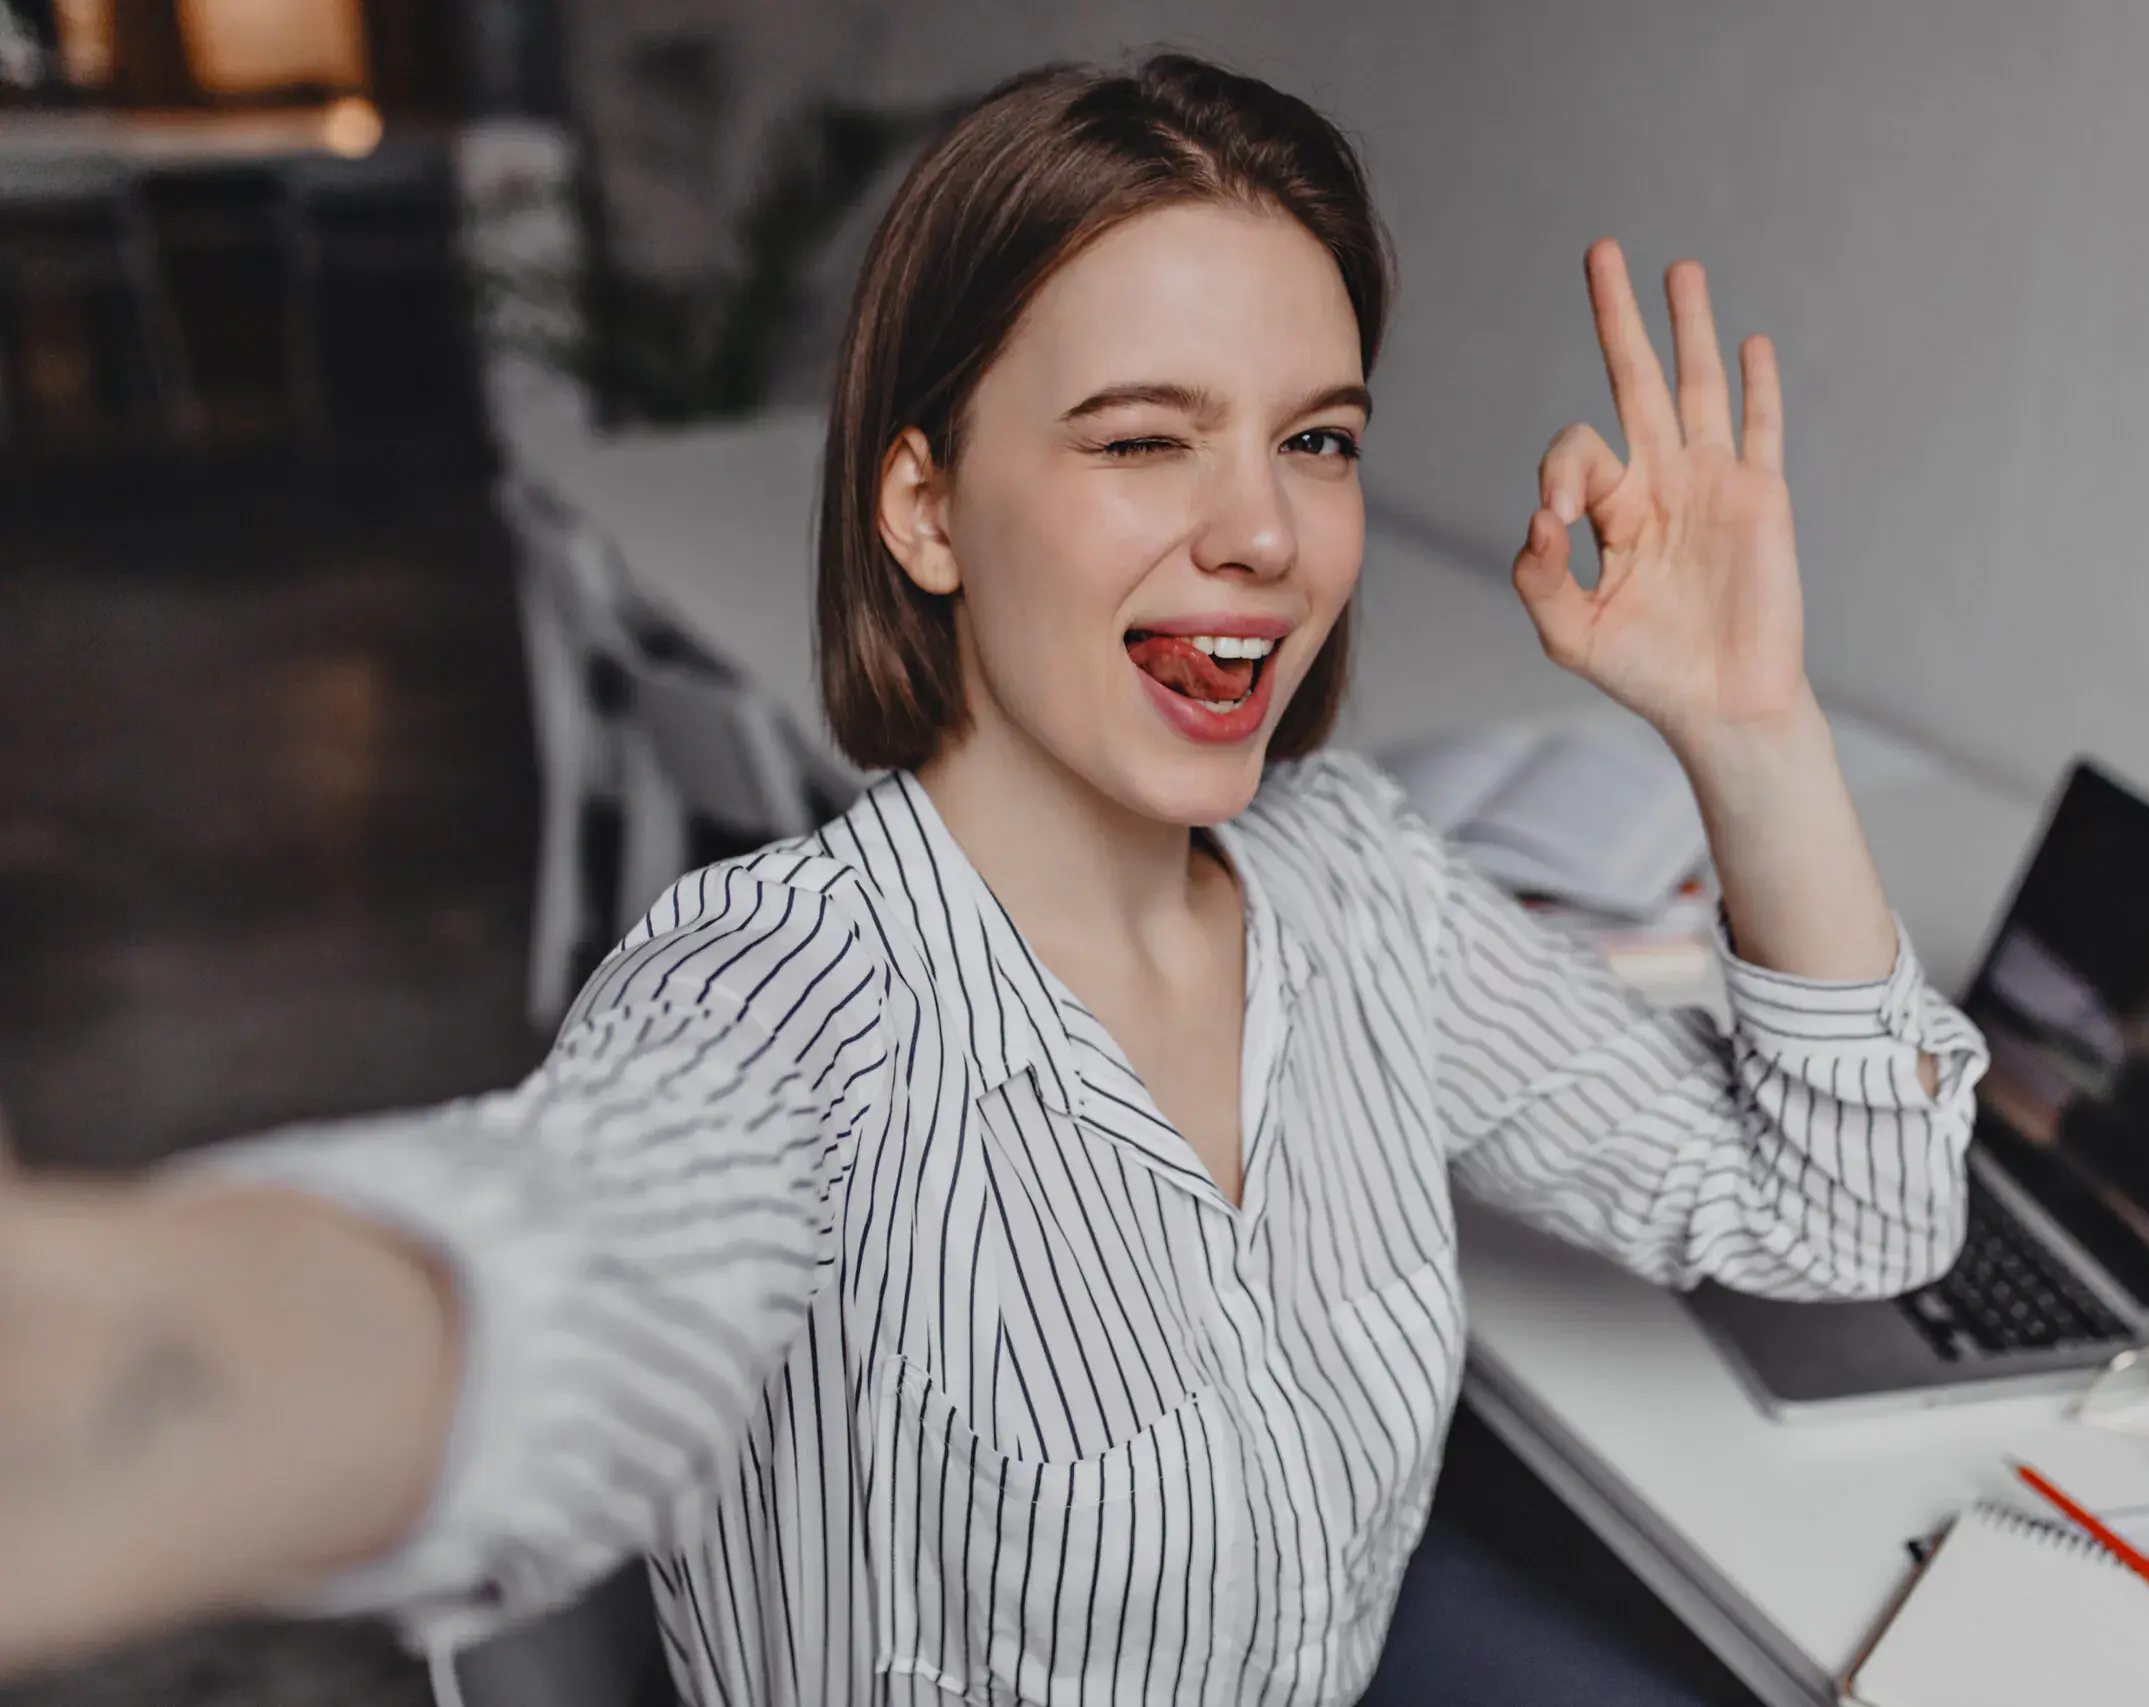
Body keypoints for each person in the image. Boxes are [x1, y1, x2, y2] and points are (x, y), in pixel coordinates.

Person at [0, 51, 1988, 1707]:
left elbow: (1849, 1210)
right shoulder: (771, 997)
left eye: (1312, 439)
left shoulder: (1360, 883)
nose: (1263, 534)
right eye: (1142, 442)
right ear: (925, 504)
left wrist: (1746, 727)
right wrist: (120, 1376)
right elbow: (550, 1277)